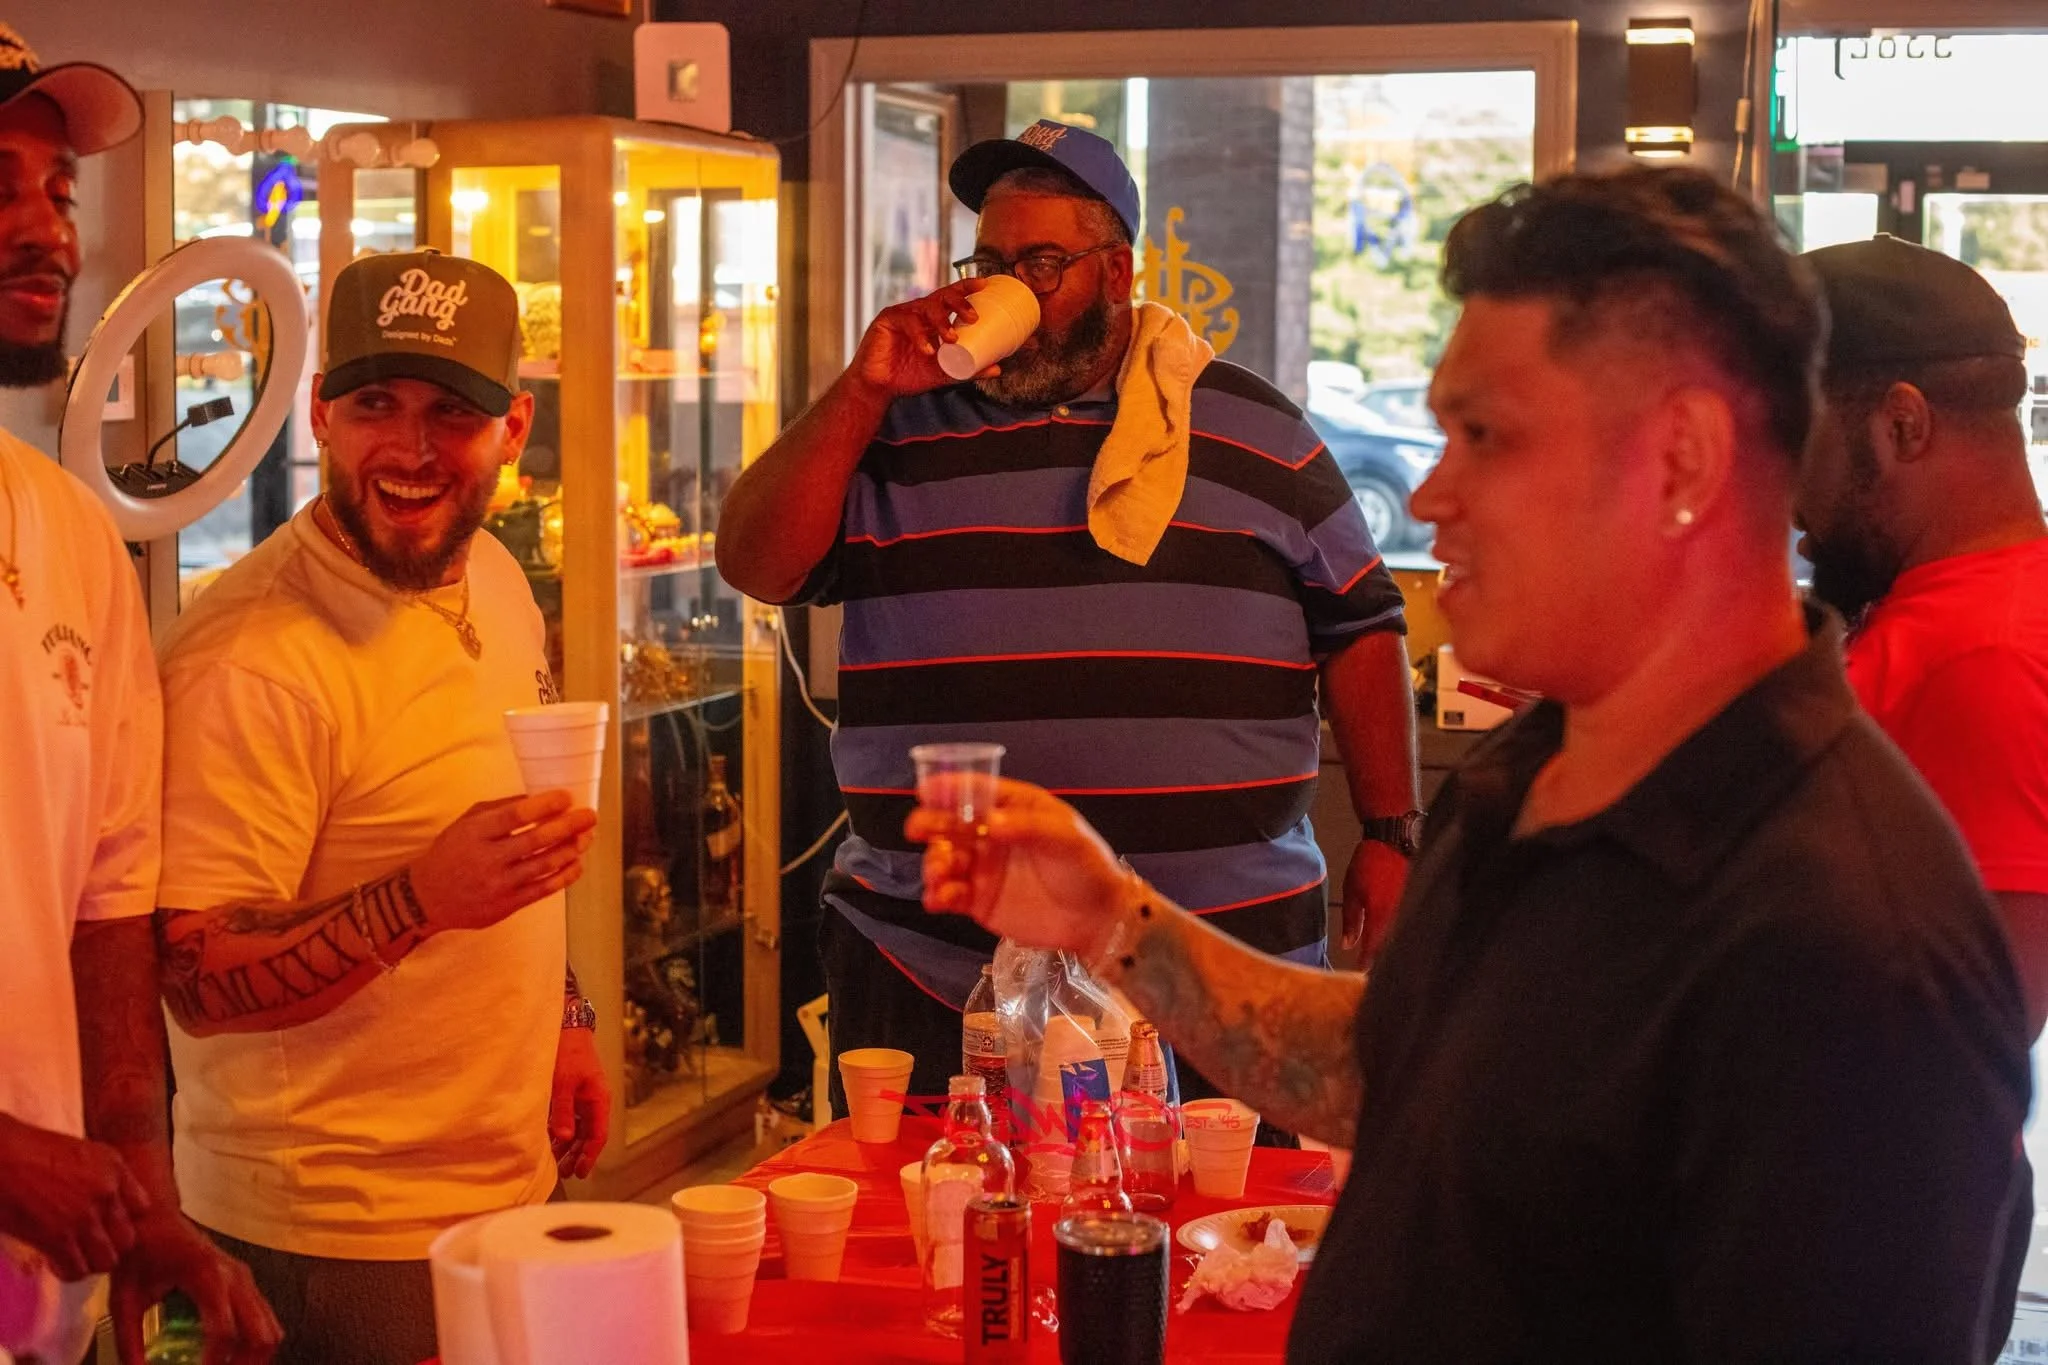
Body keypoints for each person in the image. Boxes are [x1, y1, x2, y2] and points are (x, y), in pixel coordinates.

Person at [912, 167, 2033, 1362]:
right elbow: (1407, 1053)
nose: (1433, 495)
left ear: (1684, 460)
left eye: (1485, 437)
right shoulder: (1541, 765)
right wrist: (1114, 924)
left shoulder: (1845, 951)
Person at [718, 120, 1419, 1124]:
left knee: (1224, 1258)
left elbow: (1361, 622)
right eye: (989, 262)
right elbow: (754, 563)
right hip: (931, 966)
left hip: (1217, 957)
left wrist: (1390, 831)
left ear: (1117, 271)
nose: (1006, 287)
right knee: (938, 1254)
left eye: (1040, 263)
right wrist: (863, 385)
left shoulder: (1252, 431)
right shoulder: (889, 430)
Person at [152, 250, 607, 1365]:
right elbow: (193, 973)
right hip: (330, 1235)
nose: (410, 450)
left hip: (502, 1184)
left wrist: (563, 1015)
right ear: (318, 414)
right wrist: (417, 900)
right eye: (373, 406)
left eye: (452, 413)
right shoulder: (250, 659)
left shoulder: (491, 576)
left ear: (514, 425)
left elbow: (495, 835)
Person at [0, 24, 278, 1365]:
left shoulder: (62, 530)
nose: (45, 231)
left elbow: (109, 901)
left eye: (56, 191)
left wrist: (141, 1188)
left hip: (37, 1287)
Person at [1798, 234, 2048, 1040]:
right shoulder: (1946, 613)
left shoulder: (1984, 656)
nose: (1785, 488)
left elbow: (1982, 1022)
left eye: (1798, 437)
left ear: (1902, 424)